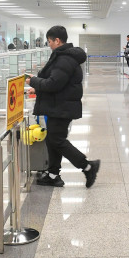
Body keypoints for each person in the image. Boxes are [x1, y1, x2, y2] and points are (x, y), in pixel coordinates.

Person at [26, 25, 100, 188]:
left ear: (57, 41)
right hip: (58, 105)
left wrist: (34, 81)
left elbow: (54, 83)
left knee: (57, 140)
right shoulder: (63, 57)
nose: (49, 44)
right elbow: (59, 82)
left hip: (61, 107)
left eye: (50, 42)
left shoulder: (64, 59)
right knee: (53, 140)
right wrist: (37, 88)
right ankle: (53, 174)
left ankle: (88, 167)